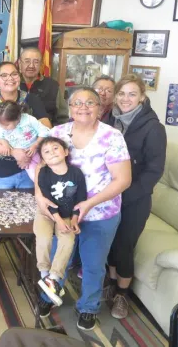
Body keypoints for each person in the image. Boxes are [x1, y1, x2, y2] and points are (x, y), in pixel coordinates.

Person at [35, 87, 131, 331]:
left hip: (100, 212)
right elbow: (39, 167)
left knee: (93, 264)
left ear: (100, 108)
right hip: (63, 213)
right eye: (77, 102)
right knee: (61, 257)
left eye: (90, 102)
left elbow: (123, 180)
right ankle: (48, 296)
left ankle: (88, 307)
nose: (83, 107)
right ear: (70, 108)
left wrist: (88, 203)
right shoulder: (58, 133)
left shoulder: (112, 136)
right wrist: (39, 196)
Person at [0, 61, 51, 277]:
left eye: (14, 74)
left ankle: (27, 256)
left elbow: (47, 129)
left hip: (30, 169)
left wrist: (32, 148)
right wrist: (14, 151)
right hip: (0, 170)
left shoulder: (32, 100)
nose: (10, 78)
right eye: (4, 75)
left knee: (30, 213)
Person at [106, 74, 166, 319]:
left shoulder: (153, 127)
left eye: (132, 94)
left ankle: (122, 294)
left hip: (135, 199)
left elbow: (154, 170)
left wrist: (126, 195)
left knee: (124, 246)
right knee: (108, 242)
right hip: (108, 195)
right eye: (121, 93)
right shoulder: (111, 121)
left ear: (142, 96)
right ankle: (110, 286)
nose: (126, 98)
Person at [34, 137, 86, 307]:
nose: (52, 153)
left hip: (67, 215)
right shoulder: (44, 173)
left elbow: (80, 198)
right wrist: (57, 219)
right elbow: (47, 200)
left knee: (68, 240)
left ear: (66, 152)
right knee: (43, 238)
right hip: (46, 213)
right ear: (43, 159)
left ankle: (54, 278)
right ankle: (44, 274)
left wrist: (74, 219)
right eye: (46, 152)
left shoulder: (76, 173)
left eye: (55, 148)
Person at [0, 100, 50, 182]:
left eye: (7, 125)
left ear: (18, 118)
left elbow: (44, 132)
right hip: (23, 156)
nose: (3, 127)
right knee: (35, 177)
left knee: (48, 169)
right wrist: (4, 143)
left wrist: (35, 145)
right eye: (0, 124)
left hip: (37, 151)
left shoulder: (29, 120)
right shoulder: (1, 124)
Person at [19, 47, 68, 126]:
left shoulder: (52, 86)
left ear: (41, 65)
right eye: (27, 61)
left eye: (36, 62)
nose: (31, 66)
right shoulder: (12, 84)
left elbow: (63, 117)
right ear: (20, 63)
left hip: (47, 134)